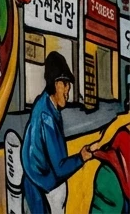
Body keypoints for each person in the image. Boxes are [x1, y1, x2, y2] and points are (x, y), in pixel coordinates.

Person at [22, 52, 96, 213]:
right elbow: (60, 168)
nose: (68, 90)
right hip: (42, 185)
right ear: (57, 84)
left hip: (32, 178)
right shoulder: (47, 118)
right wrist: (81, 157)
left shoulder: (44, 104)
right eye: (66, 84)